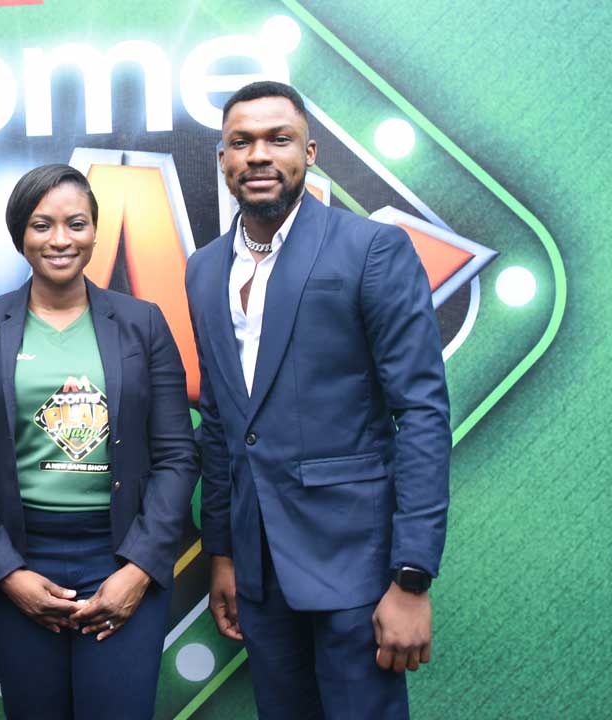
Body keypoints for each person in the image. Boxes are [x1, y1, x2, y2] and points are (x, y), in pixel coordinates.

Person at [185, 80, 452, 719]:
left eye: (278, 139)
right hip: (259, 570)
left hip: (356, 566)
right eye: (241, 142)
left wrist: (412, 577)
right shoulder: (204, 269)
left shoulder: (370, 249)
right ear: (222, 159)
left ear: (309, 151)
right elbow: (220, 421)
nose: (258, 155)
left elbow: (420, 412)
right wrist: (224, 553)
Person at [0, 164, 197, 719]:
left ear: (95, 231)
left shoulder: (144, 324)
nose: (60, 240)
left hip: (120, 553)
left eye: (76, 224)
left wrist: (140, 569)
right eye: (42, 225)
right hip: (20, 556)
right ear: (20, 235)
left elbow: (177, 455)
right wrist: (6, 573)